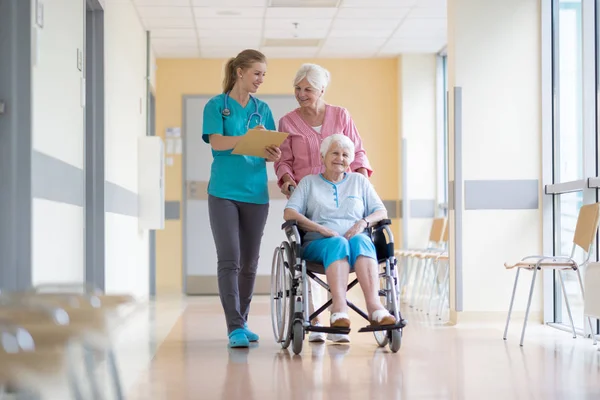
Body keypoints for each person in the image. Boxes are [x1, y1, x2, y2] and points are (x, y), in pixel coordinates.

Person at [274, 63, 373, 342]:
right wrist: (289, 182)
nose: (301, 94)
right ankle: (316, 314)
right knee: (311, 247)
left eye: (308, 89)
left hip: (343, 194)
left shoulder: (340, 115)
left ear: (321, 90)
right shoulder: (288, 122)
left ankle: (337, 315)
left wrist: (361, 182)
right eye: (297, 88)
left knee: (342, 244)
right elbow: (283, 160)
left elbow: (358, 151)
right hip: (310, 197)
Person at [202, 49, 281, 348]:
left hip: (256, 194)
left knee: (249, 263)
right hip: (223, 193)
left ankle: (243, 321)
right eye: (257, 73)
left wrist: (274, 152)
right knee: (230, 259)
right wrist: (248, 140)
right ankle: (233, 326)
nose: (261, 79)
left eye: (263, 75)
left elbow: (269, 149)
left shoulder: (263, 109)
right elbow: (217, 142)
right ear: (240, 72)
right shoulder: (216, 106)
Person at [283, 134, 396, 341]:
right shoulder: (309, 183)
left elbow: (381, 212)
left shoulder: (359, 181)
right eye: (335, 153)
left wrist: (363, 223)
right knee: (337, 242)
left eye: (345, 154)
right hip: (318, 245)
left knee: (363, 240)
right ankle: (339, 308)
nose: (340, 158)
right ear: (323, 156)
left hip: (356, 245)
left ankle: (375, 307)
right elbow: (290, 213)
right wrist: (320, 228)